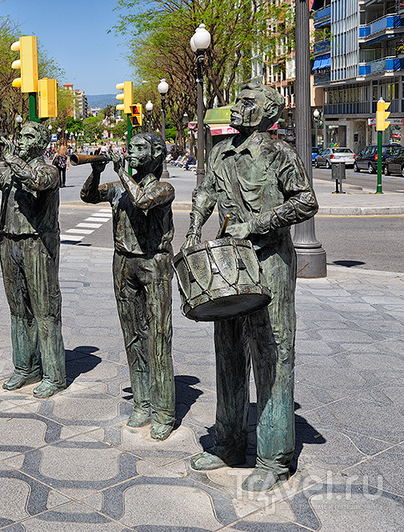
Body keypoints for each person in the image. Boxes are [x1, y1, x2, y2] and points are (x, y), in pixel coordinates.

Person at [184, 83, 318, 491]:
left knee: (271, 355)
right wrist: (192, 230)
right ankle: (228, 442)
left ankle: (273, 458)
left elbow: (306, 201)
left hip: (270, 263)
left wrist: (257, 223)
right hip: (228, 263)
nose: (236, 108)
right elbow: (204, 193)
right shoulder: (223, 152)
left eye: (246, 103)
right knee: (227, 353)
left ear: (267, 112)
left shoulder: (279, 153)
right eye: (237, 101)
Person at [80, 133, 176, 440]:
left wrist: (121, 170)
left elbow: (143, 201)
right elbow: (88, 196)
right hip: (123, 263)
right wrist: (95, 170)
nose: (130, 153)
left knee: (158, 337)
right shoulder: (119, 188)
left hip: (153, 263)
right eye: (129, 148)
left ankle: (163, 412)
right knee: (133, 336)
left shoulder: (164, 188)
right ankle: (142, 403)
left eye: (138, 149)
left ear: (156, 154)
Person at [0, 121, 66, 398]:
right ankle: (25, 367)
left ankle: (54, 376)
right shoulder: (9, 170)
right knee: (18, 310)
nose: (20, 139)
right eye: (20, 135)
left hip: (37, 243)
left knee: (45, 312)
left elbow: (33, 180)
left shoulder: (49, 170)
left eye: (28, 136)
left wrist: (10, 156)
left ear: (42, 142)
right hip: (9, 241)